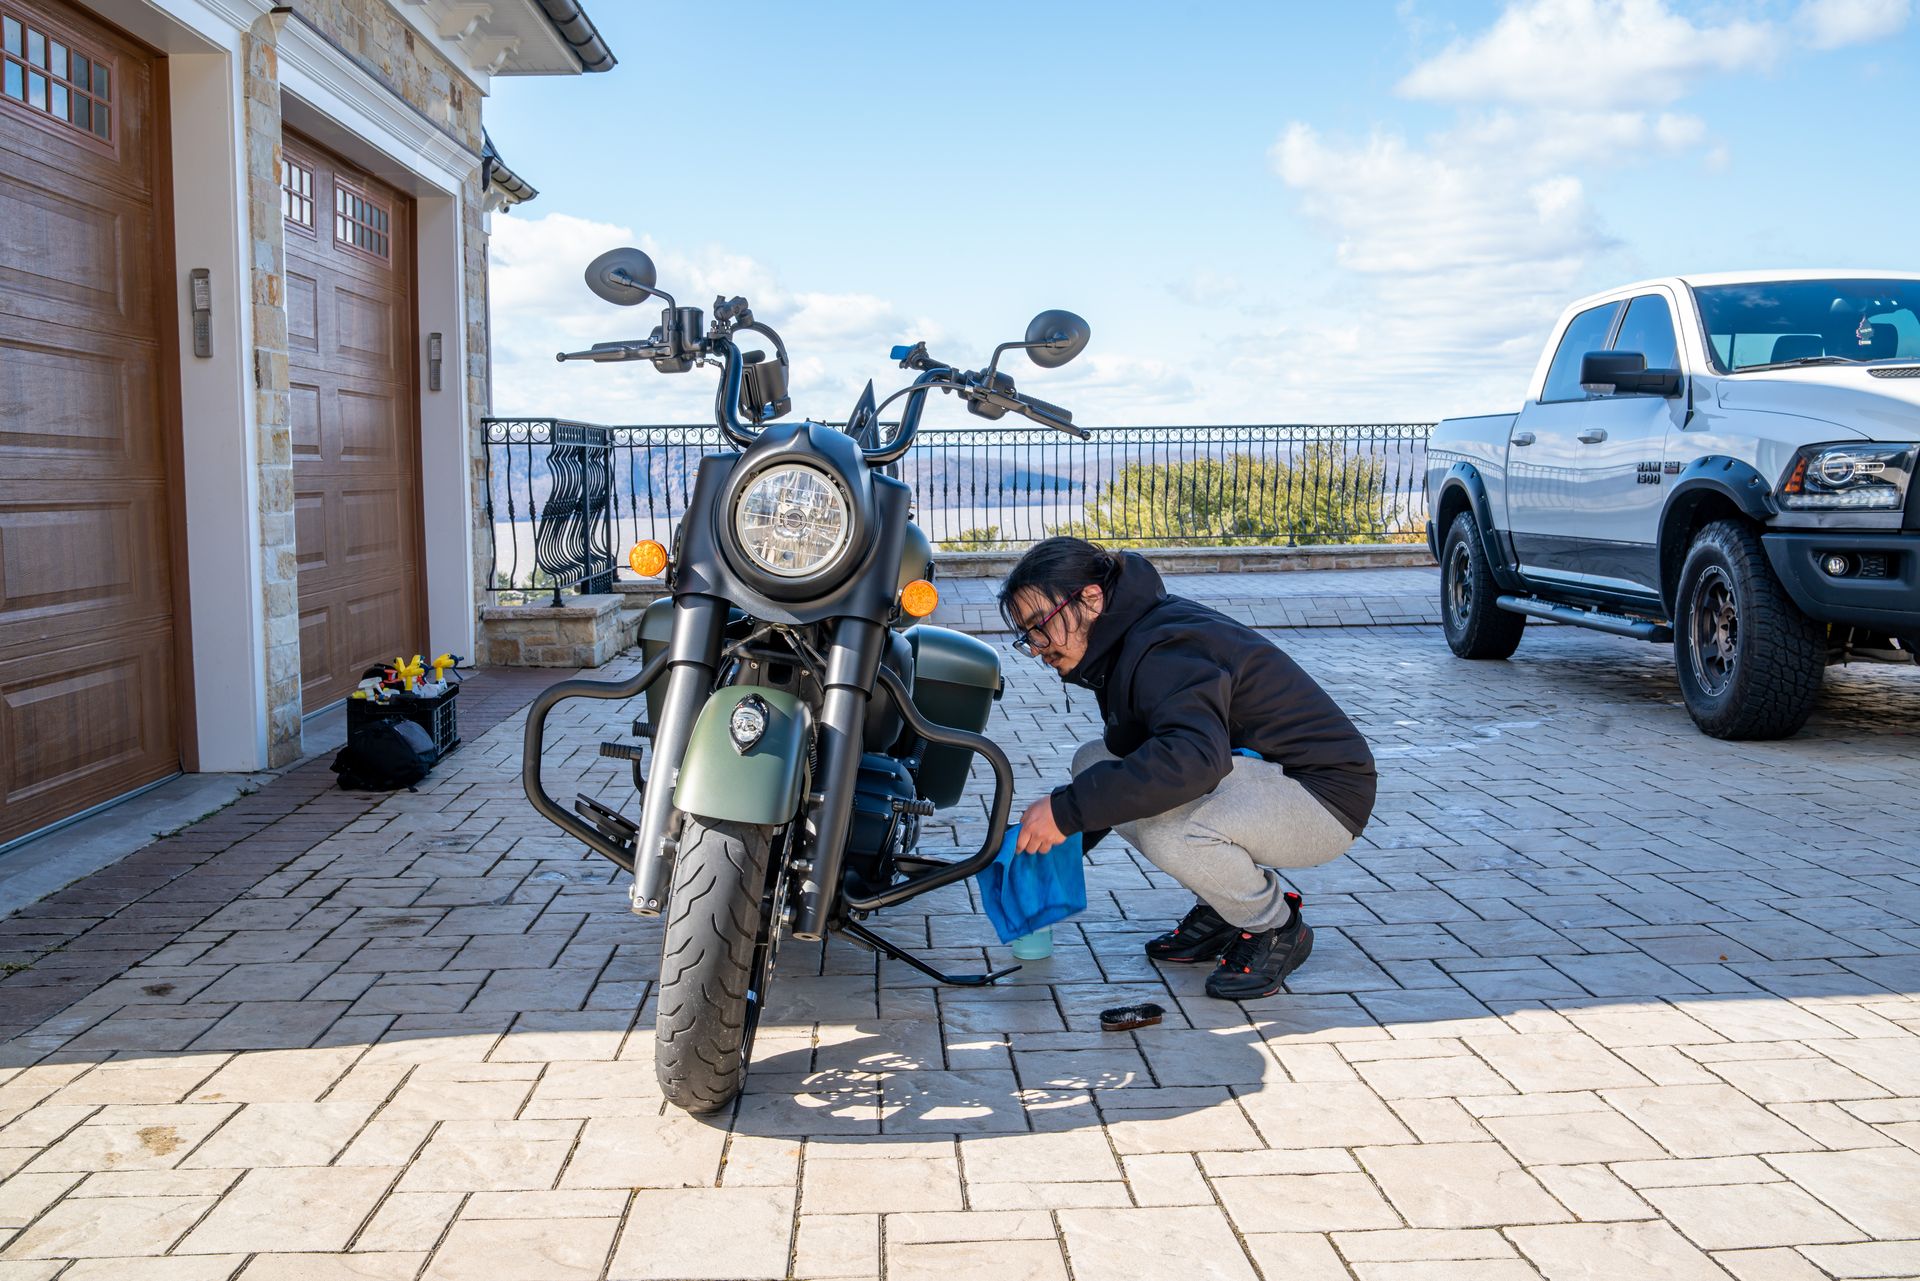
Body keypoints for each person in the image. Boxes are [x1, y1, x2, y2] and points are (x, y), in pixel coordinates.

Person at [1001, 537, 1376, 1000]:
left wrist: (1068, 812)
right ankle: (1224, 905)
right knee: (1093, 763)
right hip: (1258, 774)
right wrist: (1064, 833)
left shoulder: (1165, 646)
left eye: (1040, 626)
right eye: (1028, 635)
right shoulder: (1126, 639)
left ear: (1091, 599)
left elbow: (1193, 760)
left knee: (1173, 834)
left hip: (1323, 799)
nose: (1036, 647)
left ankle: (1274, 927)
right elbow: (1140, 759)